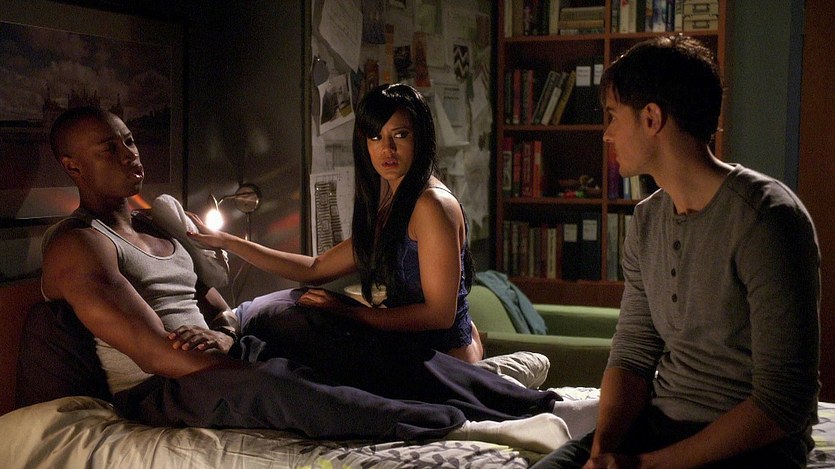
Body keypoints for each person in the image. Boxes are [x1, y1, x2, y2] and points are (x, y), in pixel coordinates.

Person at [40, 105, 572, 453]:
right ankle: (454, 426)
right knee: (273, 383)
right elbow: (156, 354)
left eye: (129, 140)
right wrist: (244, 357)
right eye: (109, 148)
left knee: (310, 312)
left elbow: (215, 304)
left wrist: (228, 331)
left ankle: (530, 404)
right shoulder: (79, 243)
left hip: (215, 349)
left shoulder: (155, 223)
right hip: (166, 383)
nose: (130, 154)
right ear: (72, 166)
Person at [533, 35, 821, 469]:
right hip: (659, 424)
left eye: (613, 116)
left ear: (651, 118)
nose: (607, 134)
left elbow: (784, 401)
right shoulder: (647, 220)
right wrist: (602, 450)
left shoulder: (767, 218)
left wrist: (644, 465)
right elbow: (633, 352)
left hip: (748, 445)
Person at [187, 83, 483, 364]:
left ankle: (231, 341)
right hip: (412, 348)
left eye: (400, 134)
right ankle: (233, 328)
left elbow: (439, 315)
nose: (387, 149)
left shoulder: (431, 204)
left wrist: (350, 313)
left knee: (297, 337)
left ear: (421, 137)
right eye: (376, 137)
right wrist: (228, 241)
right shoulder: (395, 202)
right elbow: (315, 269)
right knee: (289, 306)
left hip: (444, 358)